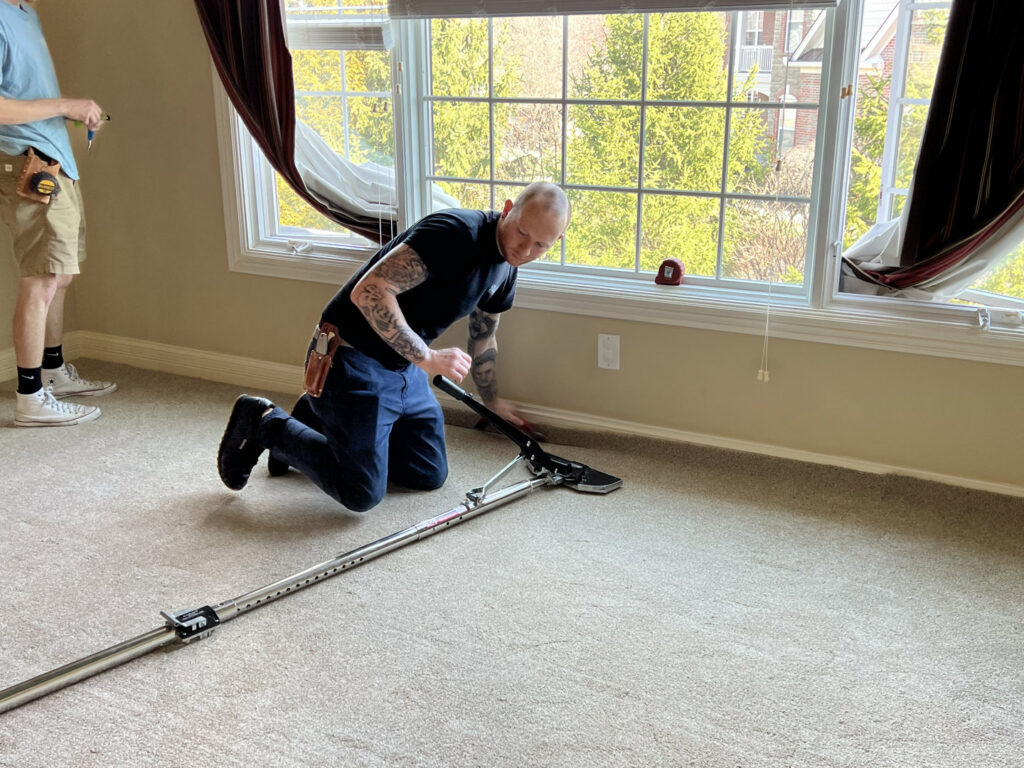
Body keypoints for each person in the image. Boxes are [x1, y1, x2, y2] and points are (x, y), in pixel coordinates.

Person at [217, 182, 571, 512]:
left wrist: (491, 401)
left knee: (427, 472)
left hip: (403, 366)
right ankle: (266, 422)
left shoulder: (507, 266)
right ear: (508, 209)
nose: (526, 250)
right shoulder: (454, 235)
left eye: (541, 245)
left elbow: (483, 334)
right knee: (361, 493)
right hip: (353, 356)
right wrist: (429, 357)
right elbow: (368, 291)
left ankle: (318, 417)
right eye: (522, 232)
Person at [0, 0, 115, 427]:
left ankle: (52, 372)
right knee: (42, 278)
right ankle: (30, 398)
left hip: (54, 160)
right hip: (27, 162)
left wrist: (72, 113)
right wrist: (65, 106)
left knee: (60, 273)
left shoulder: (25, 11)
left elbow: (24, 93)